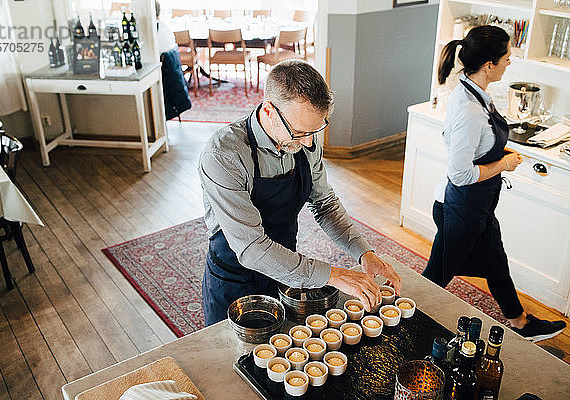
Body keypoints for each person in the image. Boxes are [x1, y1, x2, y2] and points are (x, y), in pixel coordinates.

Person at [198, 60, 402, 326]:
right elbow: (251, 248)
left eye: (316, 130)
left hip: (287, 269)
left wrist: (365, 253)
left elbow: (325, 204)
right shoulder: (224, 155)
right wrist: (335, 276)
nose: (308, 142)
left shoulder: (305, 140)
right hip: (235, 278)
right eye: (300, 132)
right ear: (269, 110)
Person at [423, 25, 566, 342]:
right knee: (432, 281)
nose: (509, 63)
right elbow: (460, 174)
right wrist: (504, 163)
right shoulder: (469, 109)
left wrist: (498, 151)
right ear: (489, 65)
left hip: (477, 209)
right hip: (459, 210)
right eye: (507, 58)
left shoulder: (474, 92)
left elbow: (465, 145)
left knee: (496, 262)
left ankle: (520, 323)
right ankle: (397, 318)